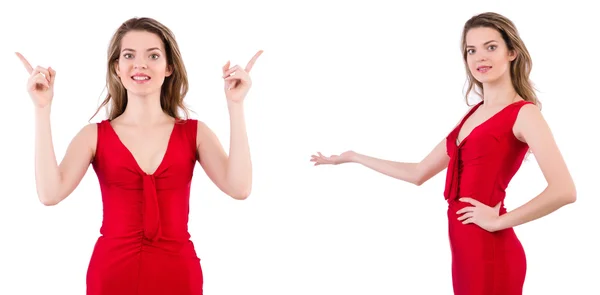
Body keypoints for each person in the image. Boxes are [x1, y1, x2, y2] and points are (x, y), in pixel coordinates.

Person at [310, 12, 576, 295]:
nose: (479, 57)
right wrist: (354, 156)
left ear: (512, 52)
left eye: (491, 47)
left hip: (491, 252)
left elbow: (564, 190)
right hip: (465, 251)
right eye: (471, 50)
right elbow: (418, 173)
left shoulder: (524, 114)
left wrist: (499, 220)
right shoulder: (473, 114)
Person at [17, 17, 262, 295]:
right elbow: (50, 193)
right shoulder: (93, 136)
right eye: (129, 55)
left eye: (153, 55)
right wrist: (42, 109)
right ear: (117, 68)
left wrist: (236, 105)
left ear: (169, 67)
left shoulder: (195, 133)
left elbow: (240, 188)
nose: (140, 64)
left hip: (178, 274)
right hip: (111, 275)